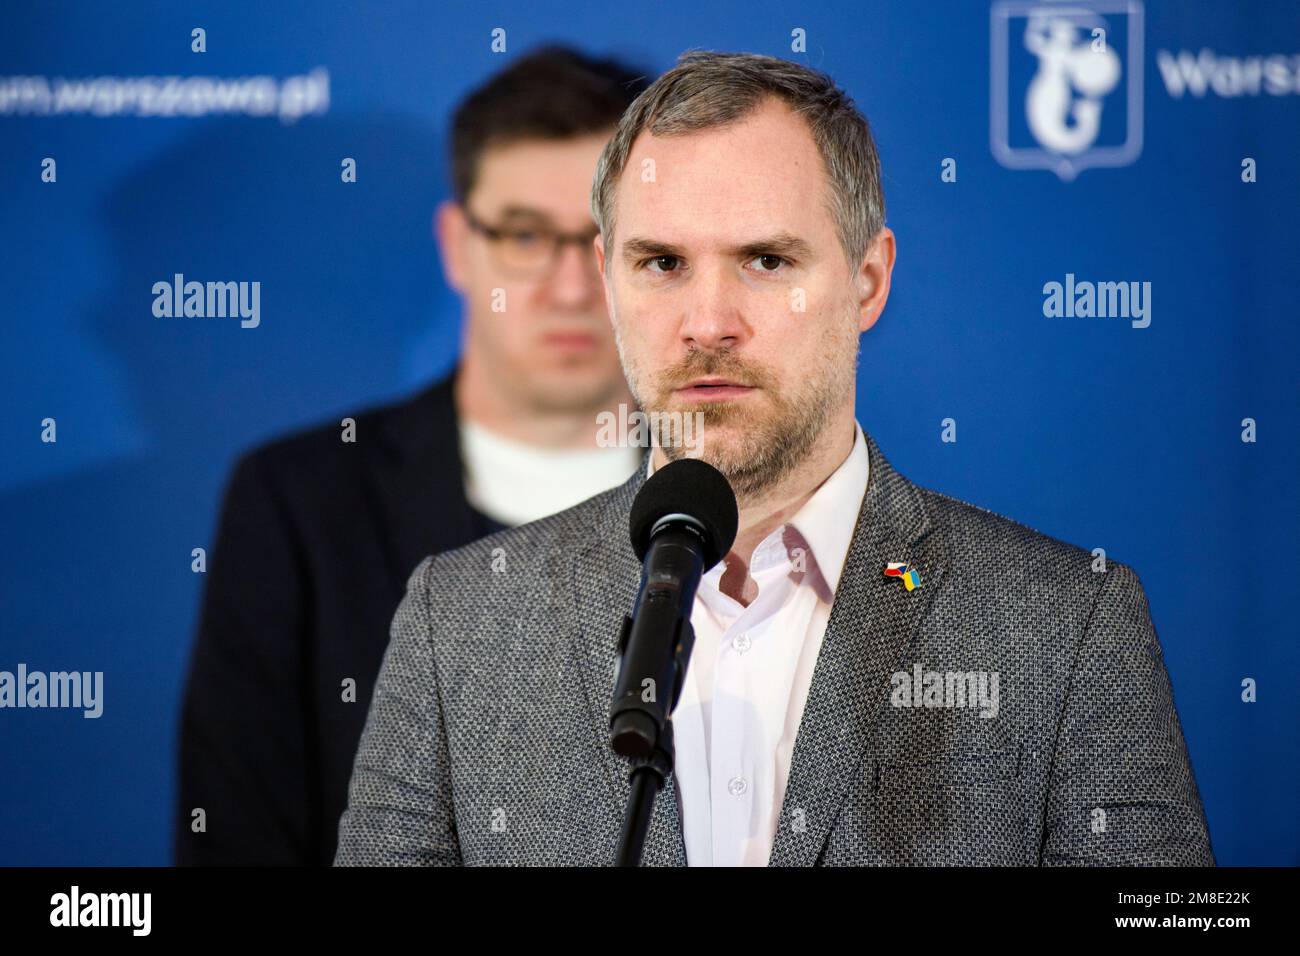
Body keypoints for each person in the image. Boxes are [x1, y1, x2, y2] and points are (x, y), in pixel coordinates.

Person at [334, 51, 1213, 866]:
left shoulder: (1068, 627)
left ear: (867, 282)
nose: (708, 321)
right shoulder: (457, 626)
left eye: (764, 259)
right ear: (609, 281)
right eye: (662, 262)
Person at [176, 46, 649, 866]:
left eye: (609, 241)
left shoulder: (742, 498)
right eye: (526, 236)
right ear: (457, 245)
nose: (571, 287)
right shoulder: (300, 503)